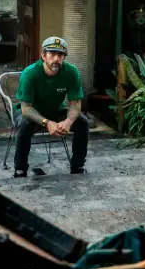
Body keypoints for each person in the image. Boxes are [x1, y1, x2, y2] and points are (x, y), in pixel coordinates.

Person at [12, 36, 89, 178]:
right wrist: (46, 123)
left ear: (64, 57)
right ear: (43, 55)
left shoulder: (71, 72)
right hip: (29, 112)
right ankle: (20, 169)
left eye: (60, 55)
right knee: (25, 124)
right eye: (51, 54)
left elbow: (75, 103)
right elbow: (26, 108)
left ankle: (77, 166)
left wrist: (68, 122)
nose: (56, 59)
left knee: (83, 122)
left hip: (55, 110)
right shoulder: (30, 73)